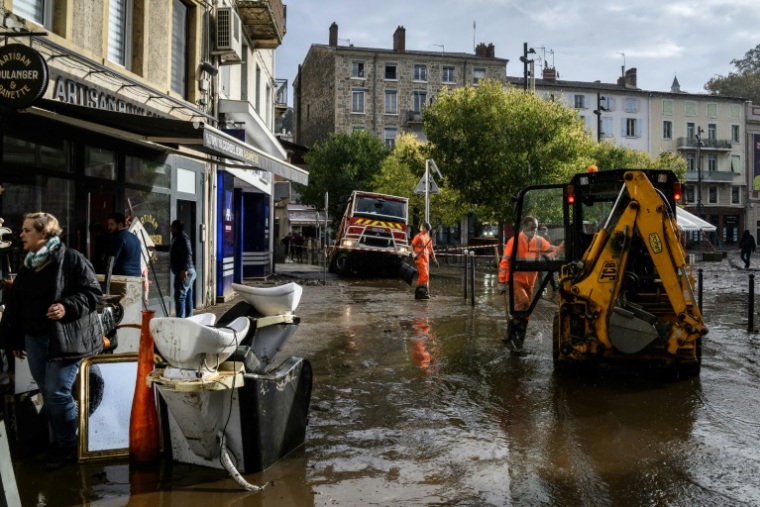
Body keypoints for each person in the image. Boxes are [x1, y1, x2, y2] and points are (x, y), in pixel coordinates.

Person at [0, 212, 103, 469]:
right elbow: (16, 304)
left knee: (57, 394)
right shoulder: (30, 263)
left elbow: (92, 293)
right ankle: (59, 443)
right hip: (34, 339)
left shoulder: (71, 259)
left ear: (44, 234)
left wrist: (66, 306)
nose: (21, 234)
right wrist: (13, 339)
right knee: (49, 393)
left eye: (26, 230)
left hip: (65, 338)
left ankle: (68, 448)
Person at [498, 216, 559, 351]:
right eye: (532, 228)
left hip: (530, 282)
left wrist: (561, 249)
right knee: (523, 303)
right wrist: (502, 282)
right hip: (516, 280)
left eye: (536, 228)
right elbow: (504, 263)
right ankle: (513, 337)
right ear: (524, 227)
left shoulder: (539, 241)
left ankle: (516, 341)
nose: (535, 231)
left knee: (526, 313)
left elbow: (551, 251)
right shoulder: (514, 242)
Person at [170, 220, 196, 318]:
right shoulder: (178, 238)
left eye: (171, 227)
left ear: (175, 228)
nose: (170, 230)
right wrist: (156, 247)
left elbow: (188, 254)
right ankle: (189, 320)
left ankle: (181, 321)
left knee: (180, 297)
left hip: (185, 271)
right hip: (188, 270)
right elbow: (171, 248)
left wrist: (184, 269)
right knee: (188, 296)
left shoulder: (182, 238)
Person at [105, 212, 142, 277]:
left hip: (122, 277)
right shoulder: (135, 237)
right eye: (108, 224)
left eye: (112, 224)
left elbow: (112, 260)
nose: (109, 227)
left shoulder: (118, 238)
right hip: (136, 276)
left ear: (120, 225)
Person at [411, 222, 438, 300]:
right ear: (423, 228)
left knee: (421, 276)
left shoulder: (429, 238)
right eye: (426, 228)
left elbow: (431, 250)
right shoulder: (418, 236)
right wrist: (414, 255)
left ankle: (418, 292)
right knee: (425, 274)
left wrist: (434, 260)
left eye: (428, 229)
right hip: (419, 258)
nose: (427, 230)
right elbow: (411, 247)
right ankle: (423, 291)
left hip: (425, 260)